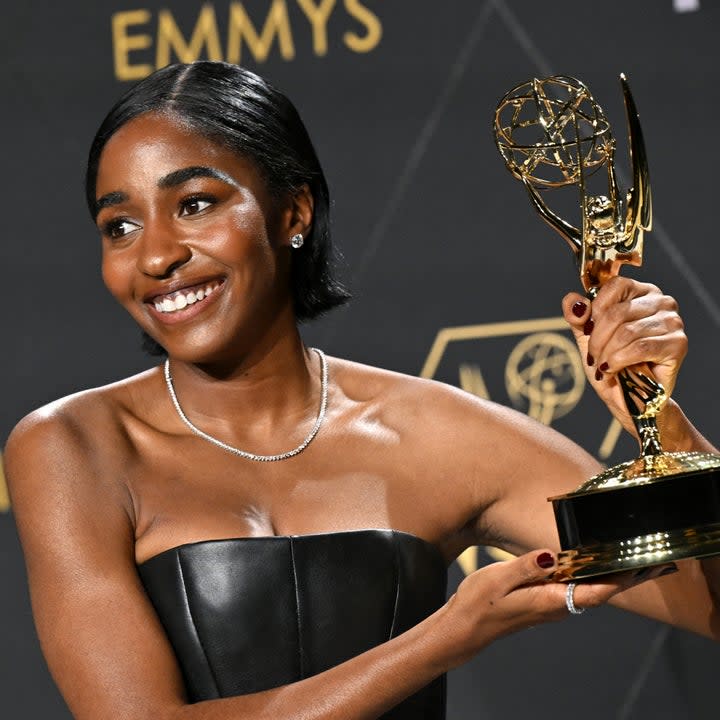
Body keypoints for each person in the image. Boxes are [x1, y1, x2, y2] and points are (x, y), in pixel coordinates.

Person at [4, 61, 719, 720]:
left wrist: (665, 428)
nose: (155, 254)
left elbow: (706, 603)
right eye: (119, 225)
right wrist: (445, 638)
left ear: (294, 213)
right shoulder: (72, 447)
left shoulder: (437, 432)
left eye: (194, 204)